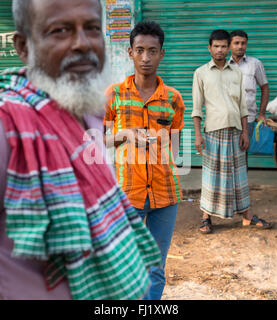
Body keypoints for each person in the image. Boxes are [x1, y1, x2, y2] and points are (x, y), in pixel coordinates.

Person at [0, 0, 161, 300]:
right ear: (23, 47)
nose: (82, 43)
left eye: (93, 28)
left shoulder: (88, 119)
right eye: (60, 30)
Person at [104, 20, 185, 300]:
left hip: (166, 195)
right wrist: (125, 135)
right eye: (140, 50)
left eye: (153, 51)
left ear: (162, 54)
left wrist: (158, 150)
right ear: (130, 53)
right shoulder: (114, 95)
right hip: (128, 195)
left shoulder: (173, 99)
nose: (146, 58)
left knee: (155, 268)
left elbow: (174, 143)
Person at [192, 29, 273, 234]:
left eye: (223, 46)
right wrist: (198, 135)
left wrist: (246, 132)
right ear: (209, 48)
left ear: (228, 48)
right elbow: (196, 107)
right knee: (211, 176)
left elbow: (243, 108)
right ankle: (205, 218)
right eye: (216, 46)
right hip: (212, 132)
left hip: (236, 131)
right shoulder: (200, 73)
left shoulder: (237, 72)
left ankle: (247, 216)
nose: (220, 50)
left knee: (239, 176)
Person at [229, 30, 269, 143]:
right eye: (236, 43)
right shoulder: (224, 66)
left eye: (243, 43)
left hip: (249, 118)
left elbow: (265, 88)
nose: (240, 46)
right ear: (229, 45)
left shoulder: (255, 64)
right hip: (228, 119)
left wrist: (261, 114)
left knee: (243, 150)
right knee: (228, 154)